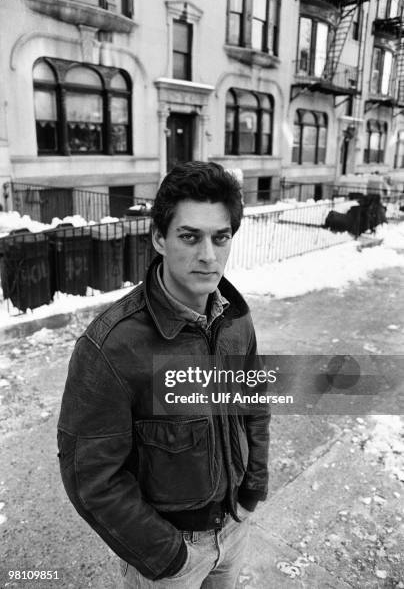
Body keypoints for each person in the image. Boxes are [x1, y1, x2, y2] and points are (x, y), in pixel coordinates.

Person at [57, 161, 270, 588]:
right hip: (171, 553)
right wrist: (166, 555)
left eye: (220, 237)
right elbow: (92, 477)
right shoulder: (112, 345)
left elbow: (254, 404)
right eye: (189, 236)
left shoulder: (235, 319)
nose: (208, 255)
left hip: (234, 527)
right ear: (159, 237)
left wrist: (253, 488)